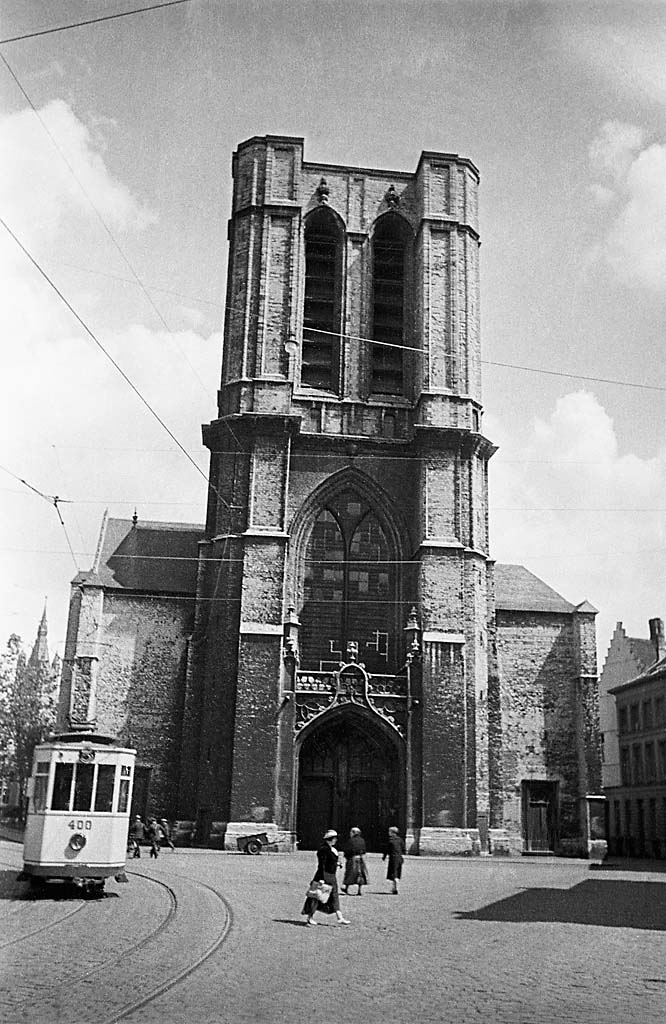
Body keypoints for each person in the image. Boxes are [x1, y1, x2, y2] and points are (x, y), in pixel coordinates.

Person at [301, 829, 351, 927]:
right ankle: (310, 917)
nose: (336, 840)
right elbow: (322, 865)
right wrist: (321, 878)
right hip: (324, 875)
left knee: (334, 895)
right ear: (330, 839)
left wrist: (337, 864)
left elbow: (330, 862)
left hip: (332, 876)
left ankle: (340, 917)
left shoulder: (332, 849)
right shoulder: (323, 849)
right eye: (334, 838)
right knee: (317, 896)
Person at [341, 826, 369, 896]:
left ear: (353, 833)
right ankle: (359, 890)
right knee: (360, 874)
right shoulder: (362, 840)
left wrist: (346, 857)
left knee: (349, 873)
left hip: (352, 858)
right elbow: (364, 850)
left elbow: (347, 850)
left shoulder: (351, 840)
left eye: (351, 832)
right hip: (361, 858)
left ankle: (346, 888)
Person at [382, 825, 406, 894]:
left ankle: (395, 888)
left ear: (392, 832)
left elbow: (387, 849)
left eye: (389, 832)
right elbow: (403, 848)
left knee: (394, 873)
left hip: (393, 858)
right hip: (399, 858)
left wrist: (384, 856)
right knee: (397, 873)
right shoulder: (400, 839)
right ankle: (394, 888)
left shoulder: (390, 840)